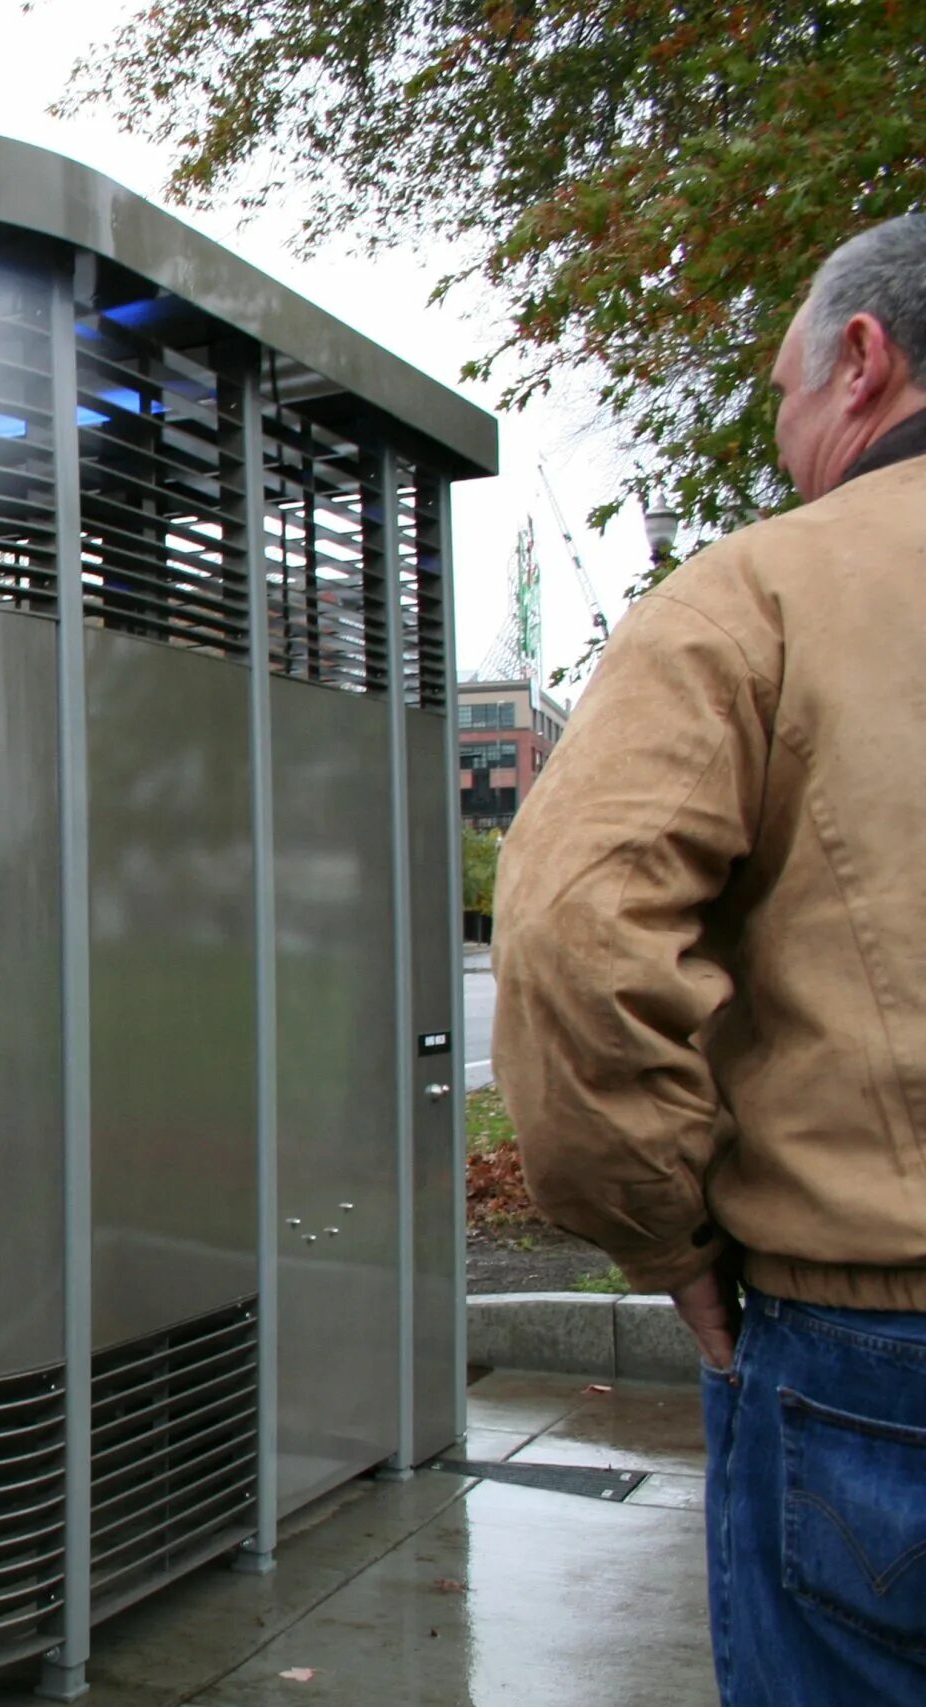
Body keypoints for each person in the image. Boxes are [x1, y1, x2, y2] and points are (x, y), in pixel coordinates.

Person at [493, 213, 926, 1705]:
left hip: (875, 1342)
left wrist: (665, 1239)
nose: (786, 430)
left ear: (864, 360)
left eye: (786, 387)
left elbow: (570, 934)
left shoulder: (764, 597)